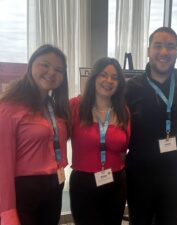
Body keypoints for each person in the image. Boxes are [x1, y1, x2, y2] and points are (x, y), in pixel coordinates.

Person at [125, 27, 177, 225]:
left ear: (176, 52)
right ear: (148, 50)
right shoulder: (131, 88)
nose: (164, 52)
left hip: (176, 173)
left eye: (171, 47)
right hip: (140, 174)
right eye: (158, 46)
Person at [0, 44, 71, 225]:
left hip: (55, 184)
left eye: (58, 70)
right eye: (45, 65)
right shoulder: (9, 108)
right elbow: (3, 166)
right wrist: (7, 212)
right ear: (31, 65)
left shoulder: (54, 108)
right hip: (25, 190)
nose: (51, 72)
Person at [69, 57, 130, 225]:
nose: (109, 81)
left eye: (115, 77)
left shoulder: (123, 111)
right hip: (84, 183)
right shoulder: (76, 106)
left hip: (116, 182)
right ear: (94, 77)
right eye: (104, 75)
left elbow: (125, 147)